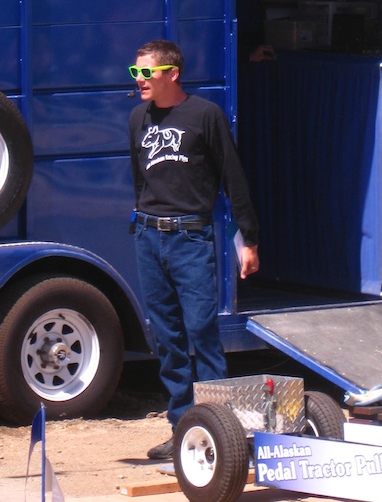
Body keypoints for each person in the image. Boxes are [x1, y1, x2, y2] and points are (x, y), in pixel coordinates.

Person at [128, 39, 259, 460]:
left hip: (190, 237)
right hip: (149, 236)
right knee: (166, 338)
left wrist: (248, 239)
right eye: (136, 73)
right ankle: (183, 427)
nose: (140, 81)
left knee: (202, 332)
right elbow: (138, 180)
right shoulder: (137, 118)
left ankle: (220, 428)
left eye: (146, 73)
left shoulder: (205, 115)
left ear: (172, 73)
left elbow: (232, 180)